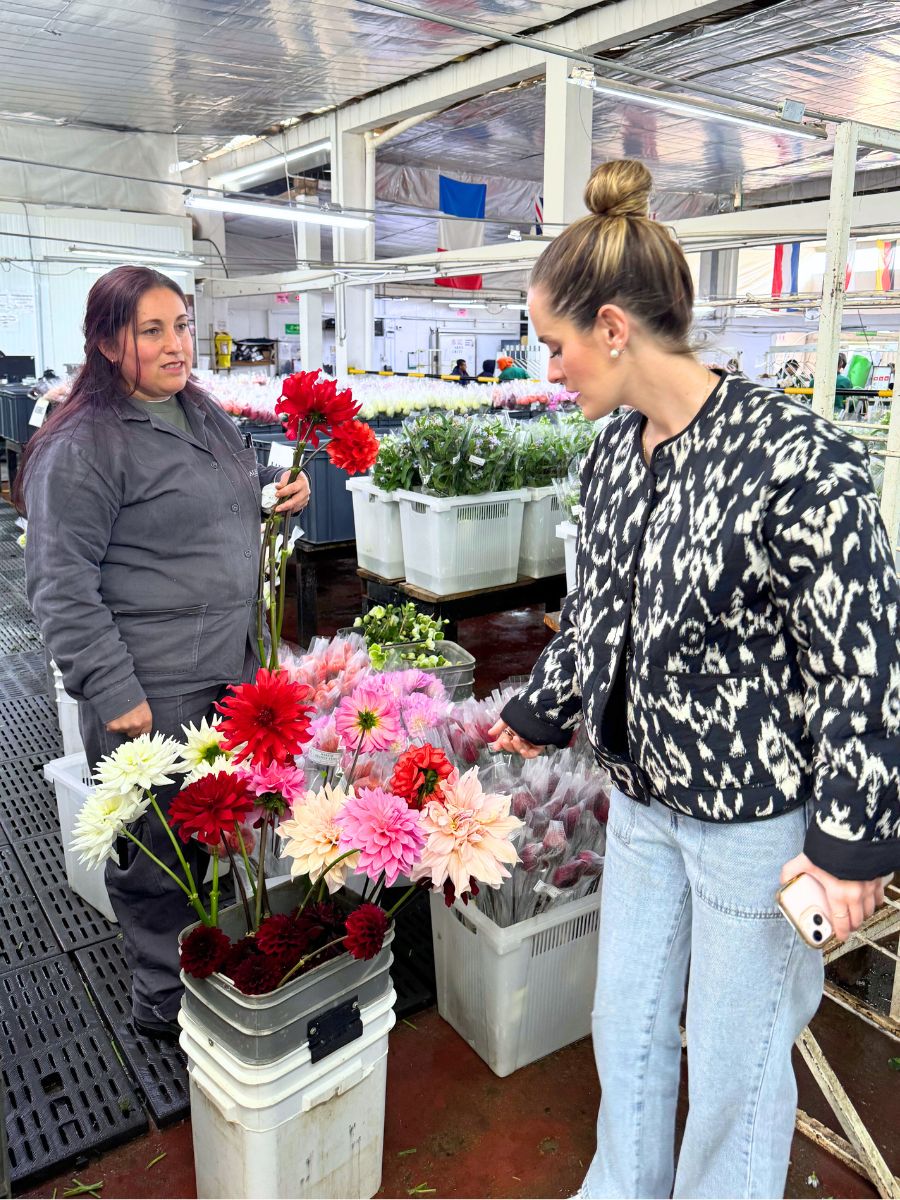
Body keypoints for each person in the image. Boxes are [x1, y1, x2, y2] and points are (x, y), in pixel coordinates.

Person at [488, 160, 899, 1200]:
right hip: (643, 805)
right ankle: (622, 1186)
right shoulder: (616, 458)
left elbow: (865, 658)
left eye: (556, 343)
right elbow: (597, 616)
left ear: (615, 329)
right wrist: (536, 710)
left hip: (754, 827)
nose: (551, 368)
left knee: (734, 1063)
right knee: (623, 1018)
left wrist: (850, 842)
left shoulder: (796, 459)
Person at [15, 266, 310, 1040]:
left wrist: (273, 500)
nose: (177, 344)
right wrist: (113, 692)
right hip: (151, 683)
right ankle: (162, 1004)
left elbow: (218, 502)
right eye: (153, 330)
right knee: (153, 857)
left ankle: (210, 974)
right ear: (110, 342)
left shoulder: (199, 412)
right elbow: (58, 583)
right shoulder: (82, 444)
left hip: (225, 667)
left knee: (212, 831)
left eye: (181, 324)